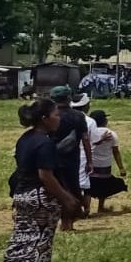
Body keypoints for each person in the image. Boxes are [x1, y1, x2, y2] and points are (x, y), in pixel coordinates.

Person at [5, 99, 79, 262]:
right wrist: (66, 197)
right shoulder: (45, 143)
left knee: (20, 237)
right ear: (44, 119)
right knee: (42, 240)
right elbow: (45, 175)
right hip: (40, 197)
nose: (59, 118)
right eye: (55, 114)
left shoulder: (26, 138)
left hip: (22, 194)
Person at [49, 87, 90, 230]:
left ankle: (57, 221)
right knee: (72, 189)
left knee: (54, 189)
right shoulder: (78, 116)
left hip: (49, 159)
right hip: (72, 160)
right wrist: (90, 161)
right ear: (69, 98)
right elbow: (85, 139)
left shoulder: (49, 116)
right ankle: (69, 223)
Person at [86, 111, 128, 213]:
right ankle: (101, 206)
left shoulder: (89, 133)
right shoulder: (111, 134)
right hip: (105, 165)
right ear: (105, 121)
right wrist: (121, 167)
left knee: (88, 187)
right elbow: (116, 152)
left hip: (91, 164)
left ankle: (86, 208)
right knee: (104, 186)